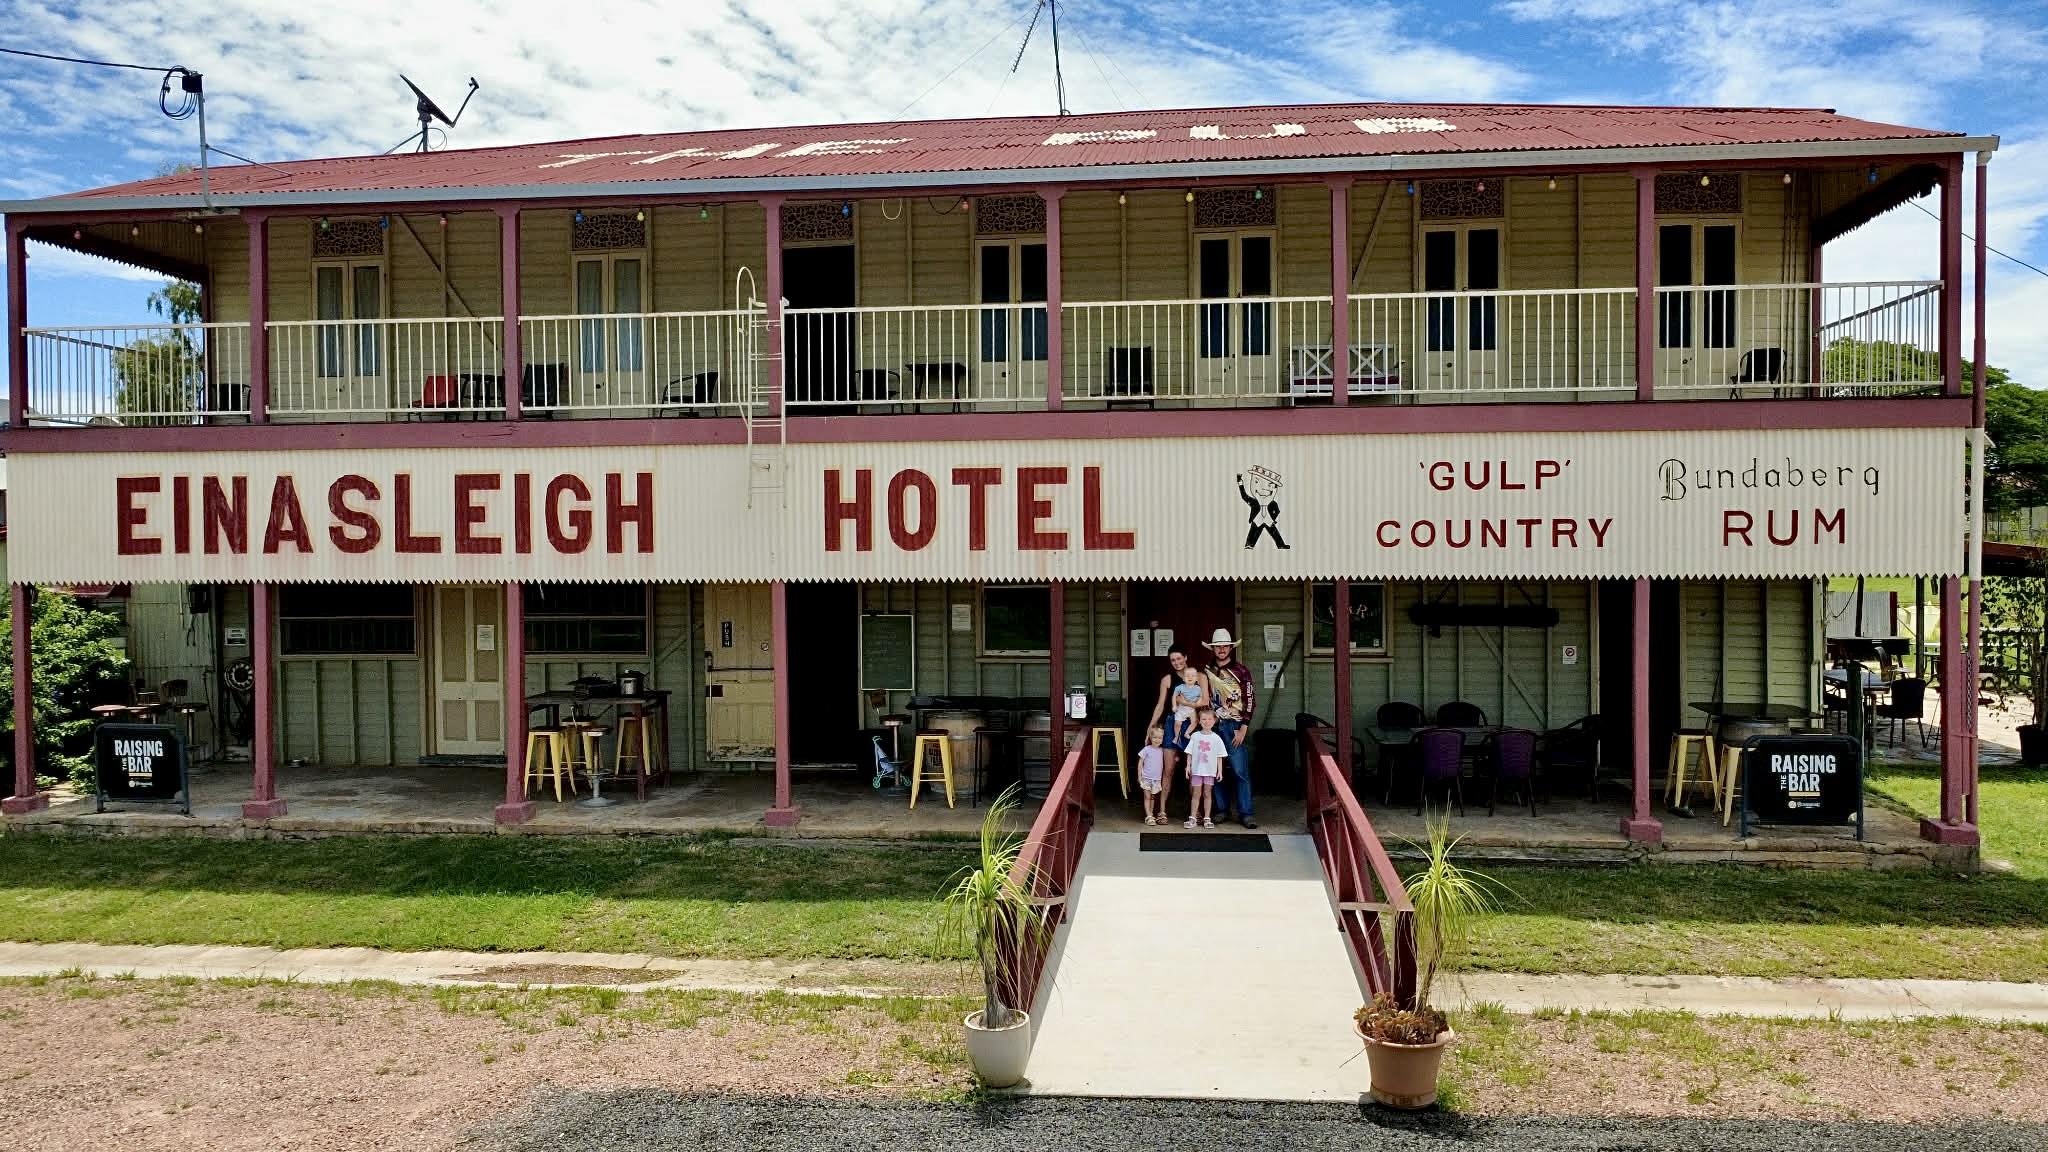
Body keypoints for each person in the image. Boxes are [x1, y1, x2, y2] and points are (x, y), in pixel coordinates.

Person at [1202, 627, 1259, 828]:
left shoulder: (1242, 671)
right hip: (1214, 725)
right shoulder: (1207, 671)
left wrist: (1244, 726)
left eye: (1225, 646)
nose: (1221, 650)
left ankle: (1246, 812)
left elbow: (1250, 700)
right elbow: (1204, 698)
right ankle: (1221, 809)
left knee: (1239, 770)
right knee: (1215, 769)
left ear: (1230, 647)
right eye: (1218, 647)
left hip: (1235, 726)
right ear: (1213, 649)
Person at [1145, 645, 1202, 814]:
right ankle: (1162, 810)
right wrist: (1150, 728)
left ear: (1186, 657)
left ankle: (1196, 812)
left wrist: (1184, 703)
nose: (1176, 662)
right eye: (1173, 660)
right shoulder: (1168, 679)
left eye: (1179, 658)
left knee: (1193, 769)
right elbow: (1161, 705)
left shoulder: (1199, 677)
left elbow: (1205, 702)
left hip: (1192, 724)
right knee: (1168, 769)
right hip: (1172, 724)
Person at [1182, 707, 1227, 829]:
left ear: (1214, 720)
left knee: (1207, 793)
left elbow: (1219, 756)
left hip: (1210, 772)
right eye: (1203, 719)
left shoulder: (1216, 738)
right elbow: (1190, 752)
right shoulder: (1195, 736)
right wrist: (1188, 766)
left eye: (1209, 719)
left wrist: (1220, 771)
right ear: (1199, 721)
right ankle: (1192, 818)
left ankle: (1207, 818)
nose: (1207, 721)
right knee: (1196, 794)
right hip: (1197, 771)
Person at [1169, 664, 1208, 745]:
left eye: (1193, 676)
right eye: (1187, 676)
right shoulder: (1180, 687)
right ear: (1183, 678)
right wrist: (1174, 706)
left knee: (1194, 722)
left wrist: (1198, 702)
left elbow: (1201, 697)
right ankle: (1176, 737)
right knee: (1177, 724)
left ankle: (1187, 733)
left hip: (1191, 709)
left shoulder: (1198, 688)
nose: (1190, 678)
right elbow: (1174, 696)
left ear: (1197, 679)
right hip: (1181, 708)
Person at [1137, 727, 1167, 825]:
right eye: (1155, 737)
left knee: (1153, 797)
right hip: (1146, 778)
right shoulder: (1146, 749)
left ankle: (1151, 815)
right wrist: (1139, 775)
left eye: (1160, 738)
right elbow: (1140, 763)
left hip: (1156, 779)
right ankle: (1148, 815)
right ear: (1150, 738)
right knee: (1147, 796)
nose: (1157, 740)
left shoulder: (1162, 750)